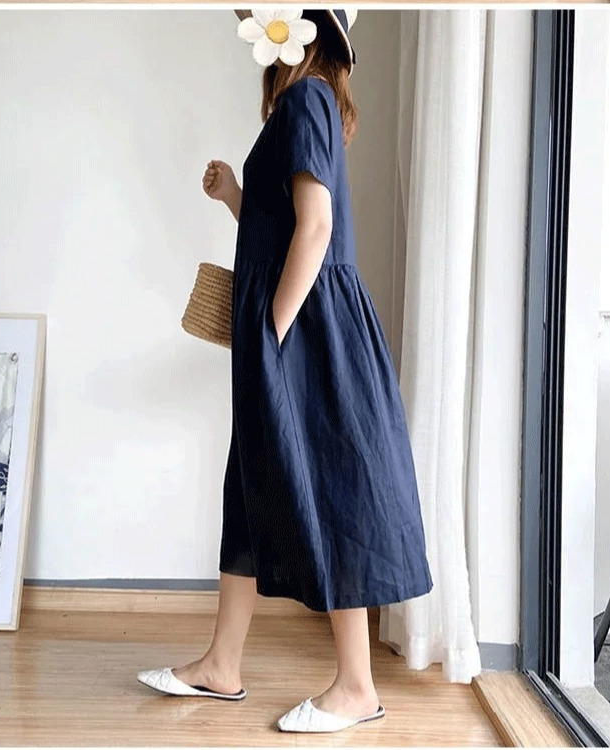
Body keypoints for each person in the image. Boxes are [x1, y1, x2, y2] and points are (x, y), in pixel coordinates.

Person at [138, 8, 433, 733]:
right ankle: (221, 664)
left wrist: (272, 331)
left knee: (330, 486)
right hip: (297, 327)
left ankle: (357, 686)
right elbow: (282, 227)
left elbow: (318, 227)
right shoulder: (306, 105)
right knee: (250, 483)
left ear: (302, 28)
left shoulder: (307, 100)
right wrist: (234, 197)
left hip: (307, 333)